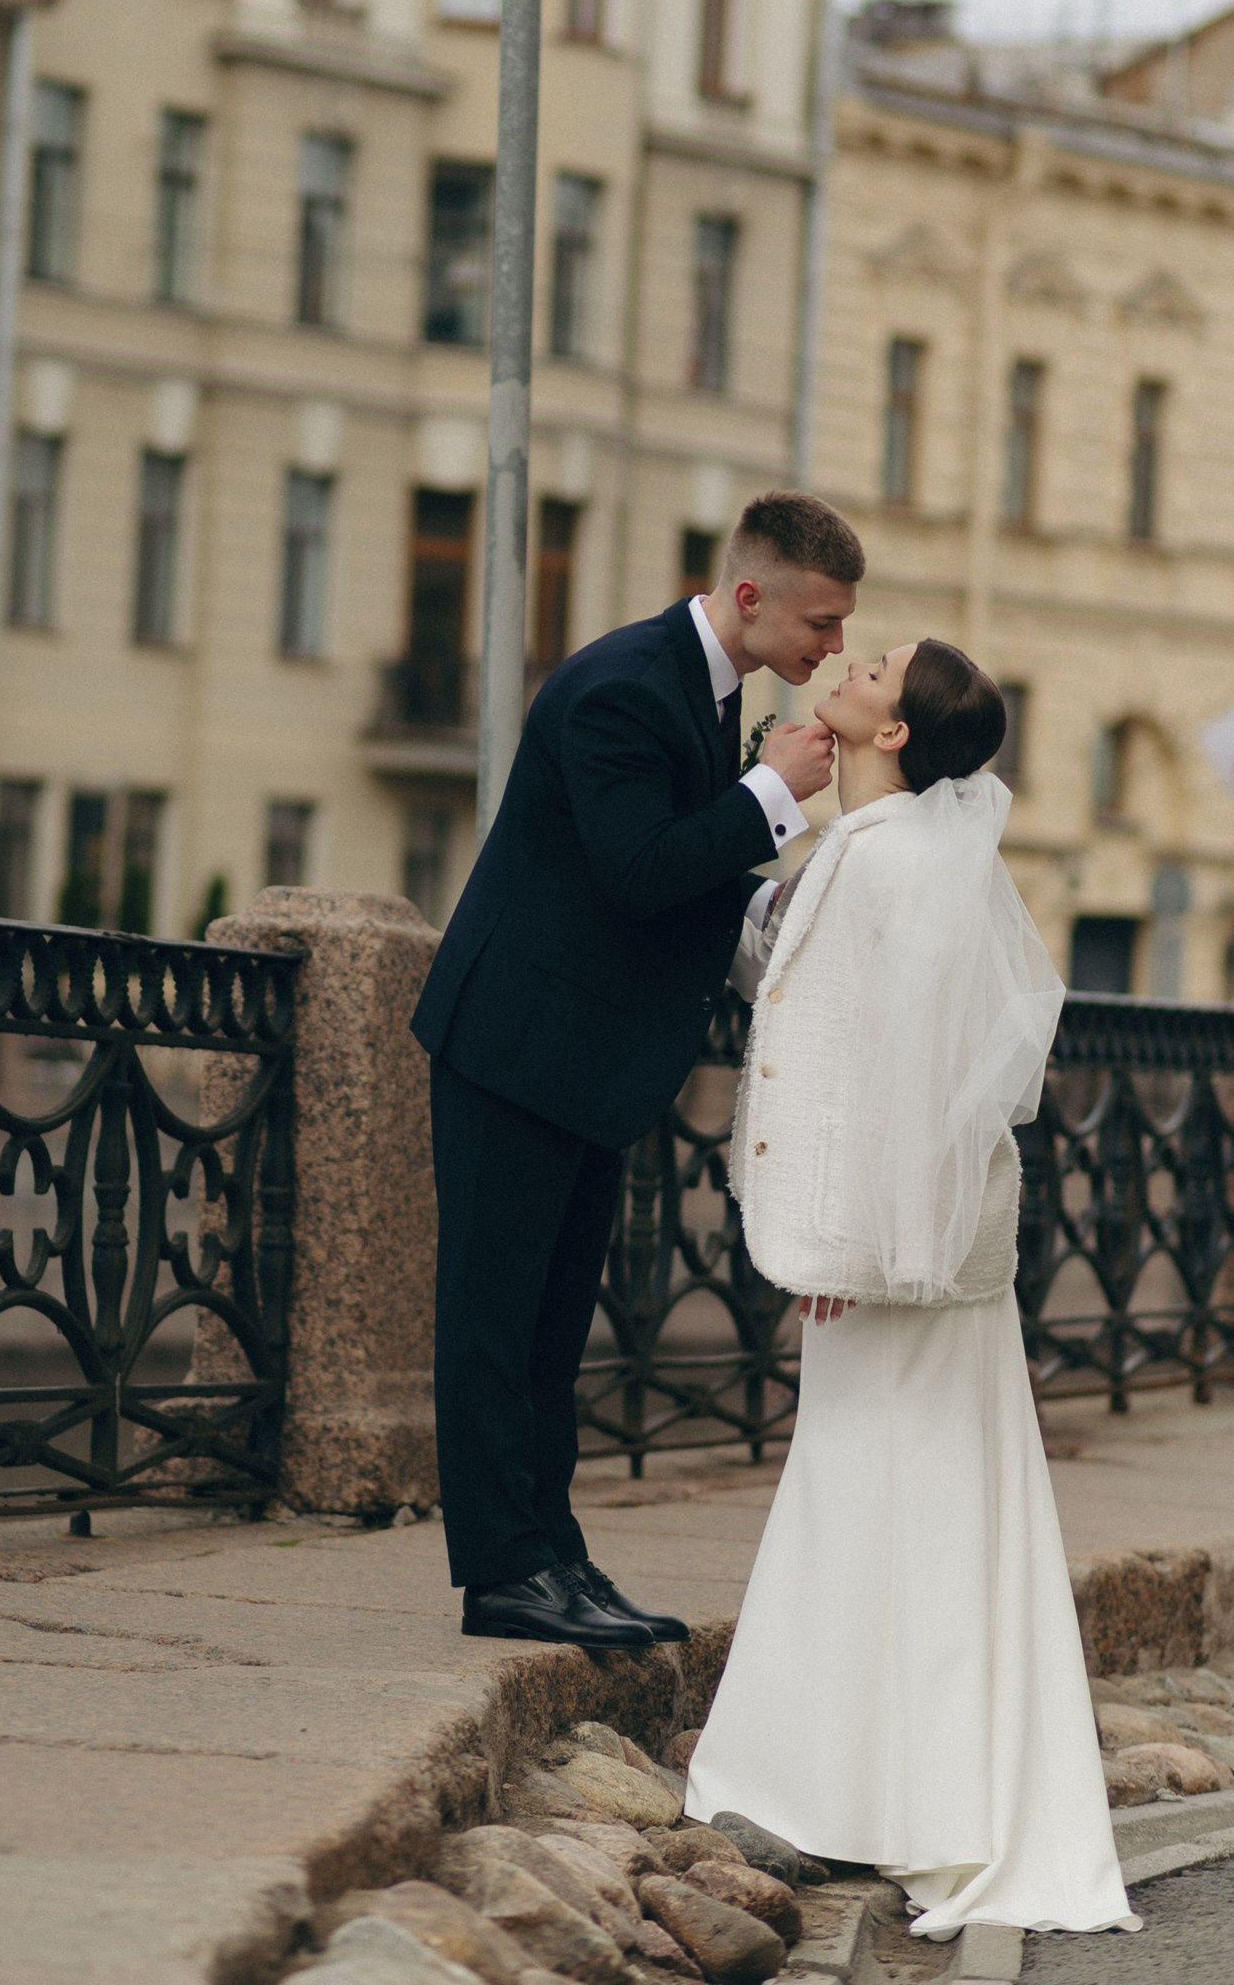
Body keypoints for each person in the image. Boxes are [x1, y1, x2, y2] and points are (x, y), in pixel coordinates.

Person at [686, 638, 1138, 1940]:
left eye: (876, 669)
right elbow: (809, 1001)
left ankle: (840, 1785)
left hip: (892, 1262)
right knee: (911, 1500)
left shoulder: (894, 865)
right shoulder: (888, 854)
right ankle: (892, 1783)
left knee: (871, 1491)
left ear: (891, 733)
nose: (849, 661)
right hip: (911, 1258)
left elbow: (908, 1075)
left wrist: (860, 1248)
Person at [409, 491, 863, 1649]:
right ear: (749, 596)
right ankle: (502, 1574)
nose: (833, 647)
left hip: (581, 1059)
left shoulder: (706, 688)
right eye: (819, 621)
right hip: (514, 1045)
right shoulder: (622, 684)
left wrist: (775, 904)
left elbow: (678, 877)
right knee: (493, 1322)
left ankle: (552, 1555)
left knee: (553, 1327)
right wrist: (769, 793)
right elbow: (636, 869)